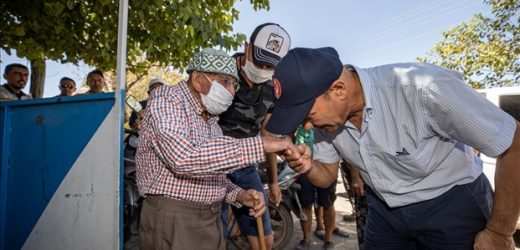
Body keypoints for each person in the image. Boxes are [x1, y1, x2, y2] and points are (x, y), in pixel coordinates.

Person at [267, 47, 520, 249]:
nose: (308, 128)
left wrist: (499, 232)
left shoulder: (423, 88)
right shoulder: (327, 122)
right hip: (384, 211)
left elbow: (514, 143)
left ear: (338, 90)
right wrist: (308, 166)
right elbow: (327, 177)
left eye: (309, 115)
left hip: (451, 204)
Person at [135, 48, 298, 250]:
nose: (232, 91)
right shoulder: (167, 100)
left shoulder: (212, 122)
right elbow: (183, 158)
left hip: (210, 221)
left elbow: (212, 176)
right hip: (175, 220)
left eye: (234, 84)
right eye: (226, 82)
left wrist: (239, 195)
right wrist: (263, 144)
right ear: (198, 79)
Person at [218, 23, 290, 249]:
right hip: (213, 167)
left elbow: (267, 134)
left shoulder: (271, 88)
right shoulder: (220, 73)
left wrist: (274, 182)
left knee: (264, 241)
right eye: (260, 61)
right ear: (247, 47)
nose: (264, 68)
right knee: (214, 236)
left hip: (246, 167)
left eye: (271, 66)